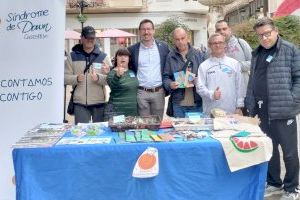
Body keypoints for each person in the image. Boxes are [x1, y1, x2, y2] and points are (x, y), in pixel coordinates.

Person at [245, 17, 300, 200]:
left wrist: (292, 100)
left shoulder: (290, 49)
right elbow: (253, 81)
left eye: (267, 33)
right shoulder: (256, 53)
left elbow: (299, 77)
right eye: (260, 35)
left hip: (284, 109)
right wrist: (250, 105)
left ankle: (292, 188)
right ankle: (274, 183)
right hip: (263, 110)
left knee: (290, 152)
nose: (265, 38)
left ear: (275, 31)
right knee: (269, 149)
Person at [64, 26, 111, 124]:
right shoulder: (72, 56)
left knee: (100, 133)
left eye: (92, 38)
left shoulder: (103, 56)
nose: (90, 40)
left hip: (99, 102)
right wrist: (76, 78)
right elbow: (64, 78)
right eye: (87, 37)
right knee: (81, 133)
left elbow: (111, 80)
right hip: (80, 103)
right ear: (81, 38)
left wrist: (99, 78)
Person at [128, 19, 169, 119]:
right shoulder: (132, 49)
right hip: (141, 93)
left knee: (157, 124)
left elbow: (170, 64)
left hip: (158, 91)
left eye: (149, 29)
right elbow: (127, 68)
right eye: (143, 29)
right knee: (143, 125)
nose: (146, 32)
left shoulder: (163, 47)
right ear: (139, 31)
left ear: (153, 31)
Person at [196, 33, 243, 115]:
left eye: (220, 42)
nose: (217, 45)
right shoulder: (203, 66)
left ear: (225, 44)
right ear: (209, 46)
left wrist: (239, 107)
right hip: (211, 112)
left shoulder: (234, 64)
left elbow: (239, 86)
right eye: (214, 43)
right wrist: (212, 94)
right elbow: (200, 88)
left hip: (231, 111)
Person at [163, 27, 206, 117]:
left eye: (182, 38)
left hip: (197, 102)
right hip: (178, 103)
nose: (180, 42)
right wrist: (170, 84)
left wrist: (198, 80)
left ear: (188, 38)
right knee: (179, 130)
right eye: (177, 39)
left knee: (197, 129)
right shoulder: (170, 57)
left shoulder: (198, 54)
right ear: (174, 41)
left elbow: (205, 76)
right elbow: (165, 77)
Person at [215, 20, 252, 102]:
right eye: (219, 30)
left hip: (242, 93)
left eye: (224, 29)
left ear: (230, 30)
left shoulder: (241, 43)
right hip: (222, 95)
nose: (222, 32)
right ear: (215, 32)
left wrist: (235, 66)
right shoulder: (211, 49)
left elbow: (253, 63)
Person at [106, 48, 138, 119]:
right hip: (117, 112)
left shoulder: (131, 72)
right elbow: (112, 86)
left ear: (129, 59)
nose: (123, 57)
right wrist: (117, 75)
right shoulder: (112, 73)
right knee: (118, 130)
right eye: (120, 55)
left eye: (126, 56)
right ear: (116, 58)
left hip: (132, 112)